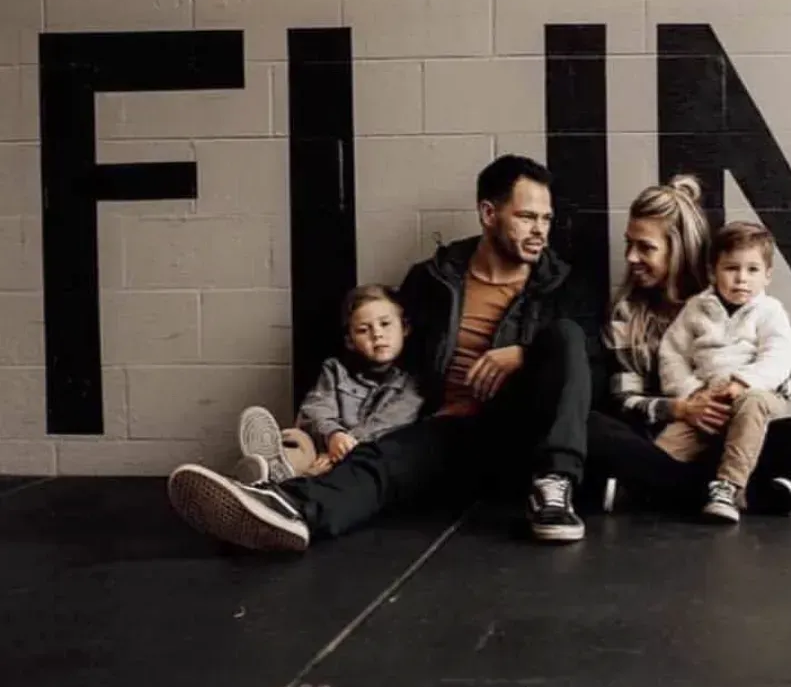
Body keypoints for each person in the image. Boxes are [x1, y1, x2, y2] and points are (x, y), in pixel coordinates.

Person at [166, 154, 595, 552]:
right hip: (451, 431)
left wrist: (522, 354)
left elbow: (588, 364)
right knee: (382, 460)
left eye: (546, 218)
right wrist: (345, 429)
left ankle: (554, 489)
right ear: (488, 214)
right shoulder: (432, 281)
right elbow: (392, 364)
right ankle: (283, 509)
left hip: (525, 429)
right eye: (526, 217)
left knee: (566, 335)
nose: (541, 230)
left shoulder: (561, 285)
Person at [586, 175, 791, 516]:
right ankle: (732, 493)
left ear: (677, 248)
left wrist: (737, 393)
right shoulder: (628, 312)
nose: (631, 257)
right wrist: (684, 406)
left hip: (737, 425)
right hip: (671, 433)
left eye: (646, 247)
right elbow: (624, 400)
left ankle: (654, 491)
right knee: (592, 427)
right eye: (629, 245)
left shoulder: (735, 291)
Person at [655, 221, 791, 523]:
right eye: (731, 268)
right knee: (662, 453)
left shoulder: (770, 311)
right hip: (708, 399)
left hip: (755, 397)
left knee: (754, 404)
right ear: (713, 272)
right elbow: (672, 354)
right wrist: (692, 392)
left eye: (752, 270)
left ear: (768, 276)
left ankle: (728, 488)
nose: (741, 279)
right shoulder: (696, 308)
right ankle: (652, 487)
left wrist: (743, 382)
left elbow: (779, 355)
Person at [232, 284, 423, 485]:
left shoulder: (414, 379)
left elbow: (390, 422)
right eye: (363, 330)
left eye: (385, 324)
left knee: (381, 456)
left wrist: (345, 447)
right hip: (325, 447)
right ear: (350, 341)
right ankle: (270, 469)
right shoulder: (335, 370)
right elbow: (314, 409)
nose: (377, 334)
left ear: (405, 328)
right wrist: (334, 435)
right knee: (296, 438)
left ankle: (279, 483)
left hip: (369, 454)